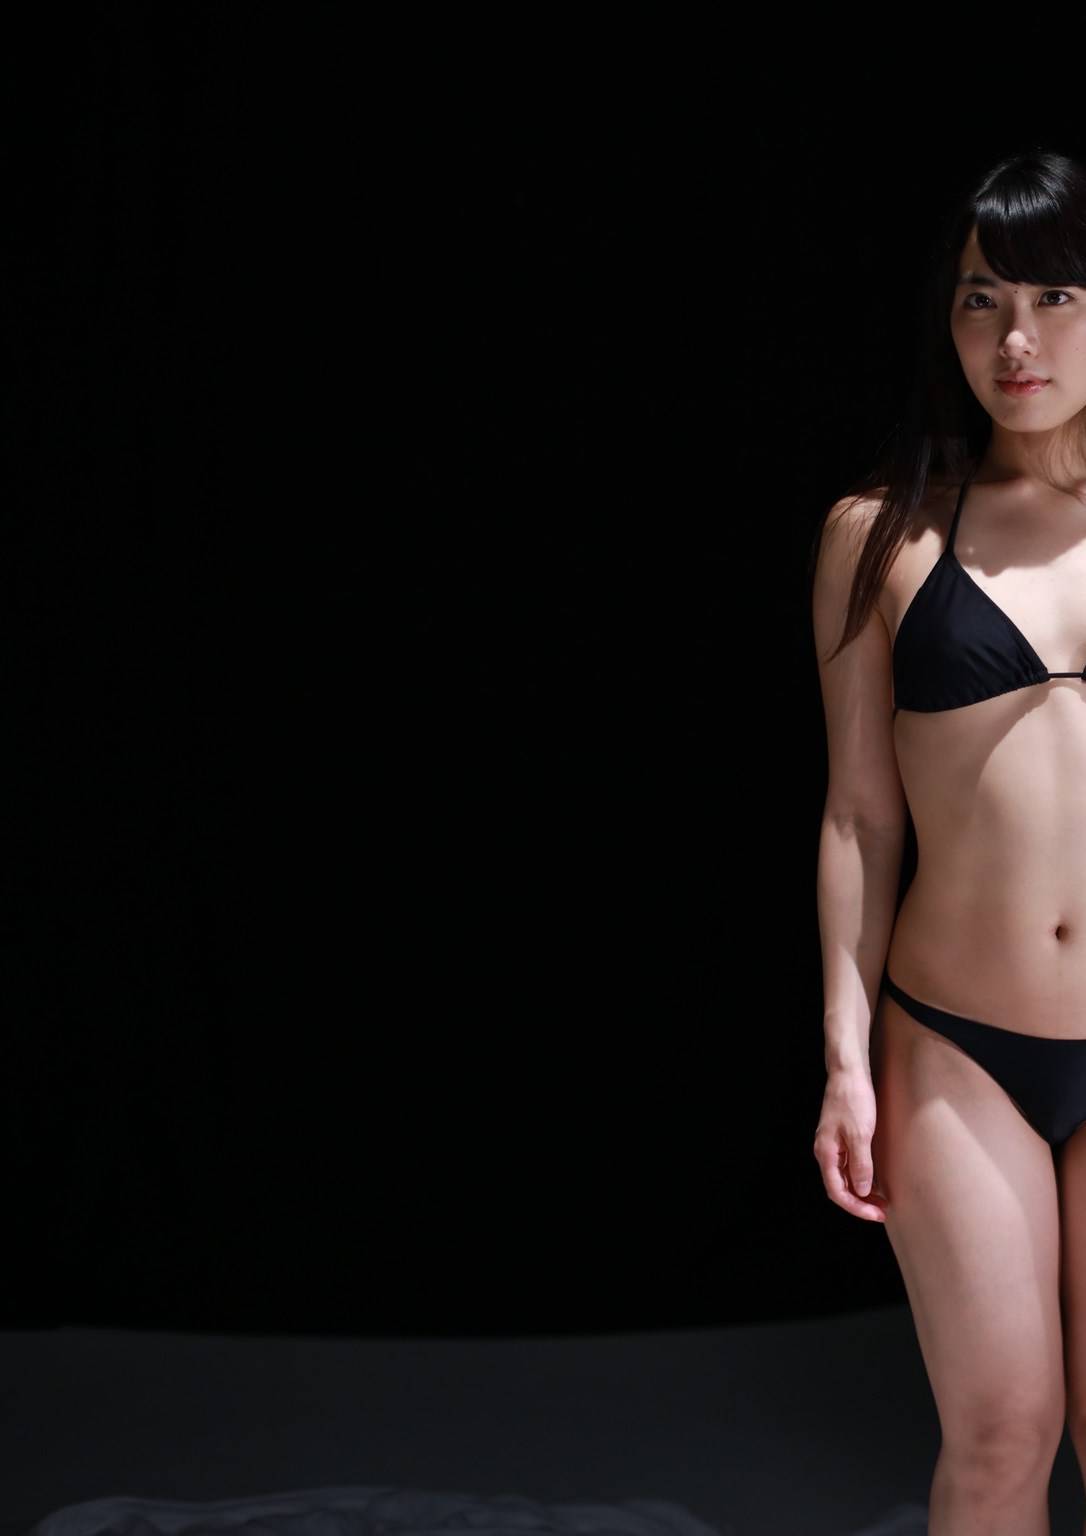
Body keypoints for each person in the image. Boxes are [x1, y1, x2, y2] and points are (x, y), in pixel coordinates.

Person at [810, 145, 1086, 1536]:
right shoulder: (882, 535)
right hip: (957, 1046)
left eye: (1054, 296)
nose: (1015, 340)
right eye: (983, 301)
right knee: (998, 1439)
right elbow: (858, 814)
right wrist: (842, 1059)